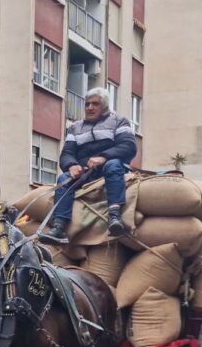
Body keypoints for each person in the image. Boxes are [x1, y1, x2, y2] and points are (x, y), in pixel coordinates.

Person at [40, 87, 137, 243]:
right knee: (63, 179)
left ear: (105, 106)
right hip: (86, 172)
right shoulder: (75, 127)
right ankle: (59, 227)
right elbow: (67, 153)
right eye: (87, 104)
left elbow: (128, 146)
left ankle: (114, 217)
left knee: (113, 165)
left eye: (95, 104)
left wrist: (104, 157)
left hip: (110, 167)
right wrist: (71, 165)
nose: (90, 108)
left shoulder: (119, 121)